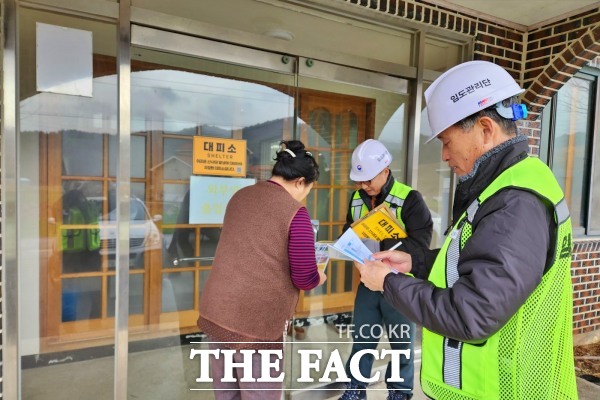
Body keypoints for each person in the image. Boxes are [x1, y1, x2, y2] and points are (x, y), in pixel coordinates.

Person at [357, 60, 578, 399]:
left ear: (485, 129)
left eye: (446, 141)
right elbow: (471, 262)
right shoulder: (506, 187)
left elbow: (471, 314)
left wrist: (387, 282)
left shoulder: (514, 203)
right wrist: (415, 264)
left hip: (506, 389)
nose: (444, 155)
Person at [197, 140, 327, 400]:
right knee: (259, 393)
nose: (306, 196)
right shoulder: (296, 213)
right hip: (256, 321)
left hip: (217, 310)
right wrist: (319, 275)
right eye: (309, 189)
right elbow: (304, 276)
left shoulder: (241, 196)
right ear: (300, 182)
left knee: (226, 392)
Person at [339, 139, 433, 400]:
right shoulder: (357, 198)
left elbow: (421, 244)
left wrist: (386, 245)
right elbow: (349, 230)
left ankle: (399, 393)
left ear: (385, 171)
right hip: (369, 282)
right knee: (363, 340)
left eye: (368, 180)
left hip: (400, 283)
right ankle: (355, 391)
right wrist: (352, 247)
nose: (363, 186)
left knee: (401, 344)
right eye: (359, 181)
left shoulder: (409, 199)